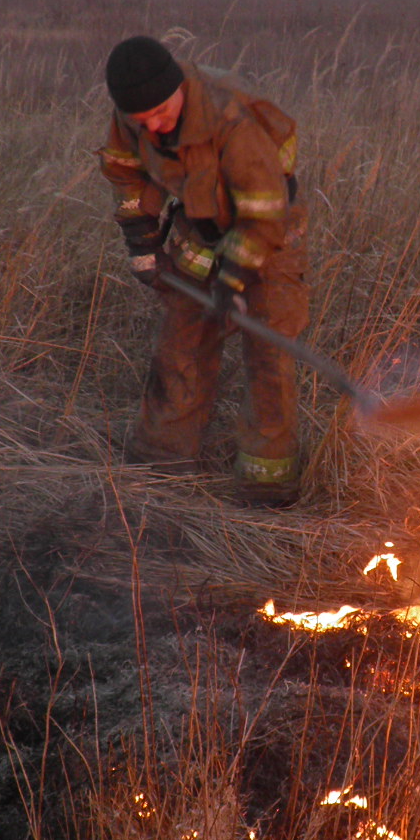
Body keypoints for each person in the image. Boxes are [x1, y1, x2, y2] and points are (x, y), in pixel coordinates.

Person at [98, 35, 308, 506]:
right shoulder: (134, 119)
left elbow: (264, 210)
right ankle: (161, 472)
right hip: (199, 229)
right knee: (181, 348)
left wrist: (233, 279)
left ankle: (265, 488)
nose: (152, 127)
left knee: (269, 358)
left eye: (161, 113)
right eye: (140, 120)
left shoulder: (231, 118)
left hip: (268, 234)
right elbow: (124, 171)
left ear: (179, 91)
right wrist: (141, 238)